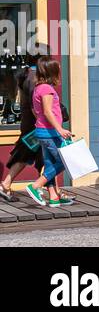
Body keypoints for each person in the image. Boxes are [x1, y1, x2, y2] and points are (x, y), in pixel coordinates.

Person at [0, 45, 48, 202]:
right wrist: (46, 122)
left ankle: (7, 185)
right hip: (36, 126)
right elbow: (37, 107)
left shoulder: (28, 74)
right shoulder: (34, 78)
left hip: (29, 124)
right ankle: (48, 191)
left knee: (28, 154)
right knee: (48, 156)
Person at [25, 57, 74, 208]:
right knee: (64, 161)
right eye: (58, 69)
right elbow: (47, 111)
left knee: (50, 164)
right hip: (50, 133)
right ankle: (35, 186)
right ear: (52, 72)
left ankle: (53, 197)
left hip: (43, 132)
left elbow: (36, 111)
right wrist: (60, 129)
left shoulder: (38, 88)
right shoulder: (46, 89)